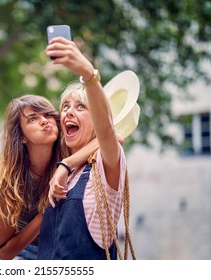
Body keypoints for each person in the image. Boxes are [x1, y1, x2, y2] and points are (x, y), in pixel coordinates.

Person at [37, 36, 139, 260]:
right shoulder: (60, 173)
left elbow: (107, 133)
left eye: (81, 106)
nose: (68, 112)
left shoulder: (106, 164)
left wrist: (89, 76)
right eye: (65, 106)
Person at [0, 94, 100, 260]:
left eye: (47, 114)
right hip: (30, 255)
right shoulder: (9, 181)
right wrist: (45, 213)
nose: (44, 120)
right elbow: (4, 252)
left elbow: (113, 138)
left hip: (71, 250)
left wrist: (66, 165)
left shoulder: (70, 149)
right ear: (21, 137)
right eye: (33, 119)